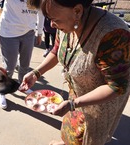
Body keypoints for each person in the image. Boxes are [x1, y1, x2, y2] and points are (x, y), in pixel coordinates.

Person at [19, 0, 130, 145]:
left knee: (90, 138)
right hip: (75, 98)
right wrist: (36, 73)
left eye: (54, 20)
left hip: (100, 106)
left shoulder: (114, 35)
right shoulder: (68, 20)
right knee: (71, 130)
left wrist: (73, 104)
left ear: (77, 11)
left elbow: (116, 86)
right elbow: (57, 49)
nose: (52, 25)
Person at [0, 0, 44, 109]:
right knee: (9, 68)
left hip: (29, 33)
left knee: (25, 64)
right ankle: (2, 92)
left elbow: (41, 11)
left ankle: (23, 85)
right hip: (9, 33)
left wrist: (39, 32)